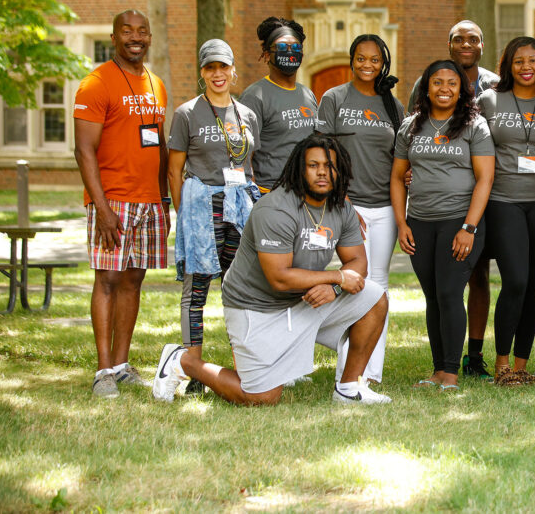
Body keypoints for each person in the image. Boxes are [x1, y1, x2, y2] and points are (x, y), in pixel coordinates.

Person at [152, 134, 391, 405]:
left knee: (374, 297)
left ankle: (349, 389)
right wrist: (336, 277)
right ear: (299, 170)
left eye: (329, 165)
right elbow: (279, 277)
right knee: (261, 397)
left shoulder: (341, 209)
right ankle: (182, 361)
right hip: (256, 307)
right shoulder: (276, 208)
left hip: (303, 300)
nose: (323, 172)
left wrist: (334, 288)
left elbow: (359, 263)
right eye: (313, 165)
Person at [73, 9, 169, 398]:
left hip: (150, 200)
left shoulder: (155, 83)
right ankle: (103, 372)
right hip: (112, 199)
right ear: (113, 37)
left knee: (133, 280)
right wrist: (102, 207)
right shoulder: (96, 84)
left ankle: (122, 364)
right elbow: (83, 150)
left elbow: (158, 145)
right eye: (127, 31)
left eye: (142, 31)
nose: (136, 37)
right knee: (108, 280)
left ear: (149, 38)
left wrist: (165, 197)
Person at [391, 60, 495, 392]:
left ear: (462, 89)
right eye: (437, 82)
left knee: (450, 293)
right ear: (426, 87)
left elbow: (485, 178)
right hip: (420, 222)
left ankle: (451, 373)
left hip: (458, 221)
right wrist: (401, 223)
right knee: (433, 297)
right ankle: (437, 370)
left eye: (452, 83)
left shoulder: (474, 126)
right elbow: (396, 178)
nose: (444, 88)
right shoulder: (410, 127)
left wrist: (469, 227)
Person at [168, 39, 260, 395]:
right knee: (197, 290)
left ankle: (245, 368)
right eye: (210, 68)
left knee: (240, 288)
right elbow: (174, 171)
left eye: (223, 67)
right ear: (202, 72)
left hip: (239, 209)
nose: (218, 74)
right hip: (202, 208)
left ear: (233, 70)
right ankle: (192, 370)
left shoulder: (246, 114)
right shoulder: (187, 113)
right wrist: (185, 215)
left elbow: (250, 166)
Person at [318, 34, 404, 384]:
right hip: (347, 206)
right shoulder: (334, 98)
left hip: (384, 208)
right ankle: (347, 372)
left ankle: (371, 372)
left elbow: (401, 158)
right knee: (355, 282)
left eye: (374, 60)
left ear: (383, 62)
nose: (367, 65)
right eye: (360, 58)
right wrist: (342, 200)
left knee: (378, 286)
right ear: (351, 60)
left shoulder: (393, 106)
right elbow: (322, 151)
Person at [477, 37, 535, 385]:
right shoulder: (490, 100)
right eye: (519, 61)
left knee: (533, 285)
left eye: (533, 61)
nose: (527, 67)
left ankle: (522, 365)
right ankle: (501, 364)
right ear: (508, 65)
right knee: (514, 281)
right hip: (503, 200)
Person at [240, 17, 319, 195]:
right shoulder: (255, 96)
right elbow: (243, 156)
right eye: (282, 47)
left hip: (306, 194)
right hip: (270, 194)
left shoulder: (307, 94)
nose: (290, 52)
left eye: (296, 47)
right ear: (267, 54)